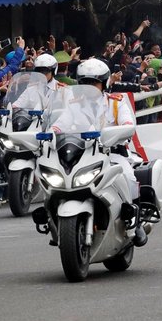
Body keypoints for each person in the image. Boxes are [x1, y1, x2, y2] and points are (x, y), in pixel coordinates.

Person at [51, 58, 148, 246]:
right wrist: (50, 133)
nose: (89, 87)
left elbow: (129, 125)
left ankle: (134, 223)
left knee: (128, 176)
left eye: (93, 82)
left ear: (103, 83)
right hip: (82, 154)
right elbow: (60, 123)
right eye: (85, 83)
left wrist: (120, 131)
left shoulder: (115, 103)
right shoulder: (74, 104)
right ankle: (54, 219)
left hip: (112, 154)